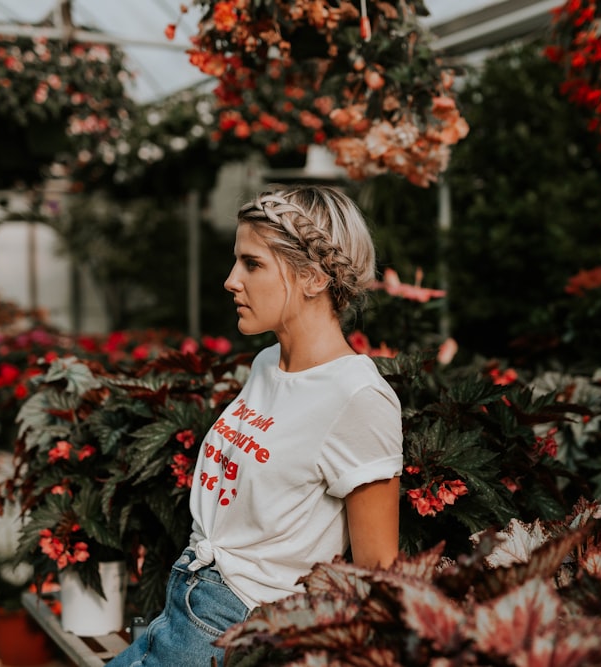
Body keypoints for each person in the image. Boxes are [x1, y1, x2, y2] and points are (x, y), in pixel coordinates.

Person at [107, 184, 403, 667]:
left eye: (252, 264)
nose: (230, 280)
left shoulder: (356, 397)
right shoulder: (268, 363)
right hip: (184, 605)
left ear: (312, 277)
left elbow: (379, 575)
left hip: (238, 630)